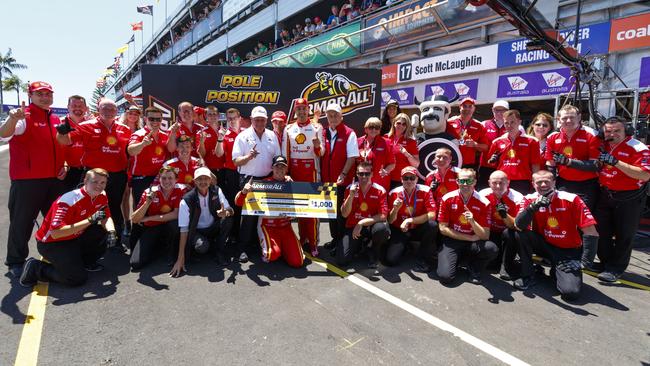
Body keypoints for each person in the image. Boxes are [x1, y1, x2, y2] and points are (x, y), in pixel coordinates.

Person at [1, 81, 67, 277]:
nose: (45, 97)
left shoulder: (55, 119)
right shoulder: (23, 117)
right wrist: (12, 119)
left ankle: (54, 254)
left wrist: (64, 165)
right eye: (40, 94)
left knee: (55, 220)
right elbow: (4, 134)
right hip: (27, 181)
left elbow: (59, 147)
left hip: (53, 180)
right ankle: (15, 261)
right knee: (21, 222)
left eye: (48, 94)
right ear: (31, 95)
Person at [19, 169, 117, 287]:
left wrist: (111, 231)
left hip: (73, 238)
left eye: (103, 183)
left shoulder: (102, 195)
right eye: (95, 182)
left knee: (102, 231)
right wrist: (90, 220)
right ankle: (36, 268)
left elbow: (106, 217)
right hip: (52, 243)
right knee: (76, 279)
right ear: (85, 181)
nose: (99, 186)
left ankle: (85, 263)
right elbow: (56, 233)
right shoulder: (69, 200)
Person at [513, 170, 598, 300]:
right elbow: (518, 225)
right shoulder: (529, 198)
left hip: (567, 251)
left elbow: (591, 232)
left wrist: (584, 262)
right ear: (533, 184)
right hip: (544, 246)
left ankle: (557, 270)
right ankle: (528, 275)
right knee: (521, 234)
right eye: (539, 182)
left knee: (570, 293)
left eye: (546, 181)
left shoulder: (571, 198)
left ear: (554, 182)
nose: (543, 185)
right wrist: (533, 207)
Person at [57, 98, 132, 241]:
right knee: (85, 207)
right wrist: (61, 132)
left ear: (116, 111)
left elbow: (130, 151)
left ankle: (114, 238)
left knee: (114, 207)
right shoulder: (86, 126)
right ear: (98, 110)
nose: (109, 112)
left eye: (112, 109)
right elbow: (65, 141)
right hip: (93, 175)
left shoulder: (125, 129)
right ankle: (83, 239)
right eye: (105, 108)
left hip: (117, 176)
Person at [594, 116, 650, 282]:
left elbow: (645, 174)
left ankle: (616, 268)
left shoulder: (637, 147)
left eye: (617, 130)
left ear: (627, 131)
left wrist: (616, 162)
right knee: (601, 231)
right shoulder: (604, 144)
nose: (612, 134)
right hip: (605, 194)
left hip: (629, 197)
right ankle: (605, 262)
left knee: (624, 234)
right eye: (608, 131)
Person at [232, 106, 281, 262]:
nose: (259, 122)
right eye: (256, 119)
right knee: (248, 216)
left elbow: (278, 159)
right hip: (249, 180)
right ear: (251, 120)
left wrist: (281, 176)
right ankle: (242, 248)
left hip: (268, 178)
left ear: (266, 120)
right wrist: (248, 157)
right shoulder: (242, 136)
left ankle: (259, 244)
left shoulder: (272, 135)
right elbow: (236, 161)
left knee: (264, 216)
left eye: (262, 119)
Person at [235, 156, 304, 267]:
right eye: (277, 166)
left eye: (283, 167)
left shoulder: (290, 183)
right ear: (272, 168)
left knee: (297, 262)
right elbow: (238, 203)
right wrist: (244, 191)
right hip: (267, 226)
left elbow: (303, 206)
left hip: (285, 226)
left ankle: (283, 248)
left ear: (286, 169)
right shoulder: (262, 184)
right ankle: (275, 248)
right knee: (272, 255)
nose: (280, 169)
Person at [437, 168, 498, 285]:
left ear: (475, 182)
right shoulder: (447, 198)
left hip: (473, 243)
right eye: (462, 181)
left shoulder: (484, 202)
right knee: (445, 277)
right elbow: (443, 228)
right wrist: (469, 238)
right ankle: (456, 259)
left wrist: (472, 221)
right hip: (454, 239)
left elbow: (485, 235)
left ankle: (474, 268)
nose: (465, 184)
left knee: (491, 248)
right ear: (457, 181)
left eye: (469, 181)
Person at [170, 167, 234, 277]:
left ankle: (219, 251)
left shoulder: (217, 190)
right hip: (197, 230)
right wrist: (180, 258)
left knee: (228, 220)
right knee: (202, 247)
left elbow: (230, 210)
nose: (203, 182)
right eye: (199, 179)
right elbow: (184, 230)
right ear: (194, 181)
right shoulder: (186, 199)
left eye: (206, 179)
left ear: (210, 180)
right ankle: (205, 247)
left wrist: (226, 213)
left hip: (212, 227)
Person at [282, 99, 323, 256]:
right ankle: (303, 238)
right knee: (300, 209)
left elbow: (322, 153)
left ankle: (313, 243)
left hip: (311, 172)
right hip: (295, 172)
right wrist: (286, 173)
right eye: (298, 109)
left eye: (304, 109)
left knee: (312, 210)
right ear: (295, 111)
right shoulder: (289, 129)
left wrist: (318, 146)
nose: (301, 112)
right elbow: (286, 153)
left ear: (308, 110)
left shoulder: (317, 127)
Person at [545, 105, 600, 212]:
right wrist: (552, 184)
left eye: (572, 117)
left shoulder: (592, 135)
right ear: (559, 120)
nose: (568, 120)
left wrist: (569, 162)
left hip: (587, 185)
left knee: (584, 219)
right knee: (563, 215)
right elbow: (550, 163)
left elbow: (595, 165)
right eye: (565, 118)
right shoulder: (552, 137)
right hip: (564, 183)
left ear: (579, 118)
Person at [321, 103, 360, 251]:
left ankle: (341, 243)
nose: (333, 118)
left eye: (336, 115)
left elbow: (351, 158)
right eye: (330, 115)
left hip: (343, 182)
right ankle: (335, 239)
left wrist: (343, 174)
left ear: (341, 116)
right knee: (331, 213)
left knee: (341, 214)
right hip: (327, 182)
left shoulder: (349, 133)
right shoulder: (323, 132)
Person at [130, 166, 186, 271]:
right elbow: (135, 219)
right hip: (152, 227)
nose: (166, 181)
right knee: (135, 264)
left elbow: (175, 214)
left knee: (174, 224)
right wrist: (147, 203)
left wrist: (148, 218)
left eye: (170, 178)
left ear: (176, 180)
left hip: (168, 226)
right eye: (163, 178)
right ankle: (158, 248)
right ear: (159, 179)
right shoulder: (149, 192)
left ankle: (170, 251)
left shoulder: (181, 190)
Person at [338, 161, 390, 269]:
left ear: (372, 174)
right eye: (361, 174)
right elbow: (344, 214)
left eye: (367, 173)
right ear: (357, 174)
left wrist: (361, 222)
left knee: (381, 229)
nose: (364, 176)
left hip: (371, 226)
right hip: (353, 227)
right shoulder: (349, 189)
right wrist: (351, 196)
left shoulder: (380, 190)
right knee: (342, 261)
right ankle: (361, 246)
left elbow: (383, 215)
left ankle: (373, 251)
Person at [387, 167, 438, 272]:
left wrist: (409, 220)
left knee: (432, 225)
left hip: (417, 228)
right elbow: (390, 221)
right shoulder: (394, 193)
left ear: (416, 179)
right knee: (391, 261)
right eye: (406, 178)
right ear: (401, 180)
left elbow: (432, 214)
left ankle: (422, 257)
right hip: (400, 230)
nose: (409, 181)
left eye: (412, 178)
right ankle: (406, 246)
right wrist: (395, 209)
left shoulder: (426, 190)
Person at [478, 170, 523, 278]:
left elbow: (517, 225)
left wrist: (504, 215)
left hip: (507, 232)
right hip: (490, 231)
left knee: (511, 233)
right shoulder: (482, 194)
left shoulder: (518, 197)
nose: (498, 186)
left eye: (501, 183)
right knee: (492, 264)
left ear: (508, 182)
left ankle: (506, 266)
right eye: (494, 183)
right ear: (489, 183)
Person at [486, 109, 541, 194]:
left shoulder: (532, 141)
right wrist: (492, 161)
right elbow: (491, 165)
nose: (509, 125)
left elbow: (535, 165)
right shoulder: (497, 142)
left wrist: (537, 182)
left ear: (519, 122)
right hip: (502, 182)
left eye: (512, 122)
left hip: (522, 181)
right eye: (506, 123)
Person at [127, 107, 170, 210]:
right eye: (151, 119)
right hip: (142, 179)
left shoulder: (164, 135)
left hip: (159, 178)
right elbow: (131, 151)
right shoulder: (139, 134)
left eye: (158, 119)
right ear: (145, 119)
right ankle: (137, 226)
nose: (155, 122)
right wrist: (142, 144)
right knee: (140, 209)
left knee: (157, 208)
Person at [215, 108, 243, 243]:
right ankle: (232, 234)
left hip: (246, 173)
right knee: (233, 203)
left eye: (234, 118)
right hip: (231, 174)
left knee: (245, 204)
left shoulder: (246, 133)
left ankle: (245, 235)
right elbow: (219, 154)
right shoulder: (225, 135)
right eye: (229, 118)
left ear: (239, 118)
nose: (231, 121)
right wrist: (220, 139)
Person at [447, 97, 488, 171]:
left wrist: (474, 145)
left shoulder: (479, 125)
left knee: (466, 183)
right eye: (464, 106)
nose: (467, 109)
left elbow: (485, 147)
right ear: (460, 107)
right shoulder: (449, 122)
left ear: (474, 108)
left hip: (468, 165)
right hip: (451, 162)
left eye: (470, 106)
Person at [60, 95, 90, 191]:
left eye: (80, 106)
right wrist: (63, 163)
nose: (77, 108)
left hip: (87, 171)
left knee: (85, 203)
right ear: (68, 107)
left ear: (85, 108)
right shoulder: (59, 123)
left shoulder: (91, 124)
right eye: (74, 105)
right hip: (66, 171)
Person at [357, 117, 395, 191]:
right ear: (366, 129)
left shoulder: (387, 143)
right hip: (362, 182)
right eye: (371, 127)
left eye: (377, 128)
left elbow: (392, 164)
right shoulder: (358, 142)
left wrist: (386, 171)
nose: (374, 130)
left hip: (380, 183)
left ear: (379, 130)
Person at [478, 100, 509, 189]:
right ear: (492, 110)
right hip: (486, 165)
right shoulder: (484, 124)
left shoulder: (513, 125)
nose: (499, 113)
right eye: (497, 110)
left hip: (505, 166)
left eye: (503, 110)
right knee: (484, 190)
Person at [386, 112, 419, 190]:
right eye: (399, 123)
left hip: (402, 180)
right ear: (394, 123)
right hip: (386, 178)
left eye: (404, 124)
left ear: (406, 127)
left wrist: (406, 154)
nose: (401, 126)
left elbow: (416, 164)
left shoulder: (410, 141)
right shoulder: (385, 138)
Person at [196, 105, 223, 175]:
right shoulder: (201, 133)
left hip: (225, 169)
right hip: (209, 169)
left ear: (218, 115)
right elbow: (201, 154)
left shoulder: (225, 131)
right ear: (206, 116)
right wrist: (201, 142)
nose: (212, 116)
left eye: (214, 114)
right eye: (210, 114)